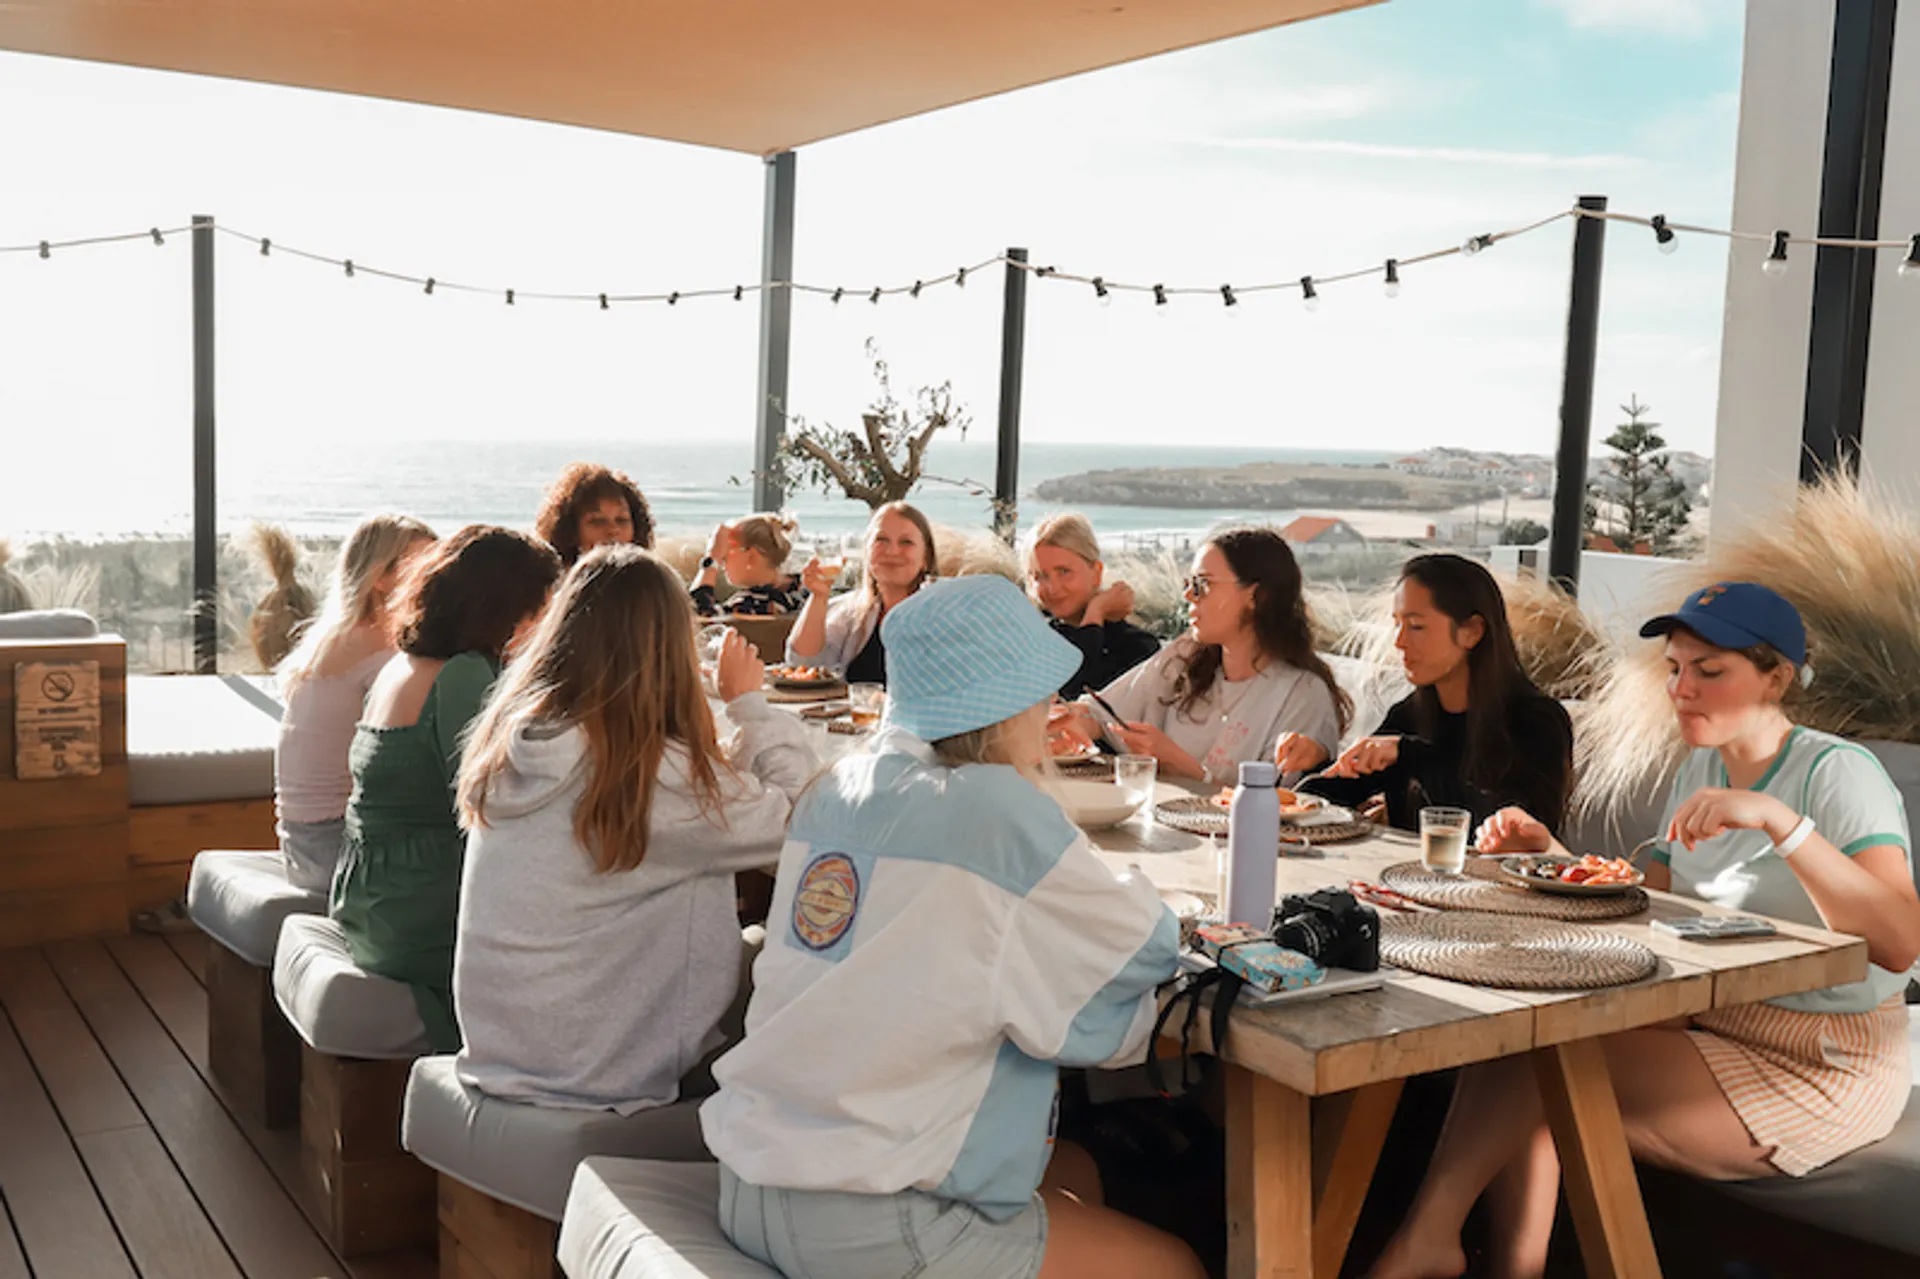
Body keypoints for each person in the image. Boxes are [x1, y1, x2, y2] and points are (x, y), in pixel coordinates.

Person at [1371, 581, 1920, 1279]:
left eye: (1709, 671)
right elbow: (1648, 911)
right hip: (1706, 1025)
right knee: (1528, 1040)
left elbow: (1901, 940)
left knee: (1539, 1056)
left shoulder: (1837, 772)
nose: (1682, 689)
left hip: (1823, 1061)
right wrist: (1554, 859)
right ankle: (1477, 1258)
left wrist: (1779, 822)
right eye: (1674, 668)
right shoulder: (1700, 765)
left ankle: (1424, 1245)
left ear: (1776, 675)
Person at [699, 574, 1204, 1279]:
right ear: (1011, 701)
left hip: (754, 1177)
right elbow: (1145, 945)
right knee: (1175, 1264)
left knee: (1077, 1174)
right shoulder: (996, 811)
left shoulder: (835, 788)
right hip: (878, 1218)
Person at [453, 546, 814, 1111]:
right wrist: (750, 708)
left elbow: (708, 814)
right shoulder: (645, 773)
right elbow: (802, 822)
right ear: (668, 650)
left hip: (509, 1046)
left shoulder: (520, 741)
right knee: (809, 960)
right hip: (596, 1069)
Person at [330, 525, 562, 1052]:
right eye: (543, 607)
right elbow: (502, 804)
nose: (548, 623)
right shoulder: (464, 675)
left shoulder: (402, 665)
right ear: (508, 607)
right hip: (419, 911)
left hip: (370, 897)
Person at [1300, 553, 1575, 833]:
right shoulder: (1410, 715)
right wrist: (1314, 764)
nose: (1399, 641)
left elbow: (1521, 835)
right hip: (1397, 876)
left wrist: (1410, 755)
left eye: (1416, 626)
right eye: (1397, 624)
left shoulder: (1536, 722)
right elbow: (1329, 797)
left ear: (1471, 632)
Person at [1063, 527, 1349, 786]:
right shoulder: (1184, 657)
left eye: (1203, 584)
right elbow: (1100, 714)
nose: (1188, 595)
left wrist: (1183, 767)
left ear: (1256, 596)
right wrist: (1064, 720)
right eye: (1189, 583)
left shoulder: (1303, 695)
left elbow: (1279, 808)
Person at [273, 514, 436, 894]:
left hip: (301, 845)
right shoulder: (383, 648)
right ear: (381, 577)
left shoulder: (333, 637)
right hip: (336, 852)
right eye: (422, 565)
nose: (434, 575)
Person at [786, 500, 935, 685]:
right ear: (867, 549)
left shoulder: (944, 614)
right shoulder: (851, 611)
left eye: (906, 542)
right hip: (855, 714)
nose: (892, 551)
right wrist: (819, 597)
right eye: (881, 539)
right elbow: (804, 664)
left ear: (926, 558)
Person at [1025, 512, 1159, 699]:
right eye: (1040, 576)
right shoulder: (1031, 642)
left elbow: (1077, 687)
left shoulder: (1138, 646)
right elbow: (1067, 685)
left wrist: (1095, 614)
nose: (1052, 588)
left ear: (1096, 573)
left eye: (1064, 572)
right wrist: (1095, 614)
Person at [534, 462, 655, 564]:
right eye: (598, 521)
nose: (613, 530)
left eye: (621, 520)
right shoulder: (554, 589)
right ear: (570, 531)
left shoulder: (652, 586)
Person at [691, 513, 803, 617]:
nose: (722, 565)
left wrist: (712, 559)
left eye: (724, 557)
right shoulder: (804, 592)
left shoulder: (749, 605)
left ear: (751, 557)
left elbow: (695, 616)